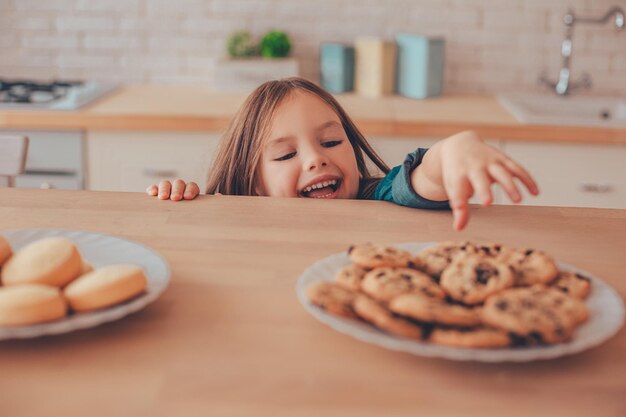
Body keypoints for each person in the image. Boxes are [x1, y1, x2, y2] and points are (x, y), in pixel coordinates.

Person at [146, 77, 538, 230]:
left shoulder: (375, 196)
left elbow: (421, 180)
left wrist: (449, 152)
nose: (315, 159)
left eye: (331, 142)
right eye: (285, 156)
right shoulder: (235, 218)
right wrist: (181, 198)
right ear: (255, 185)